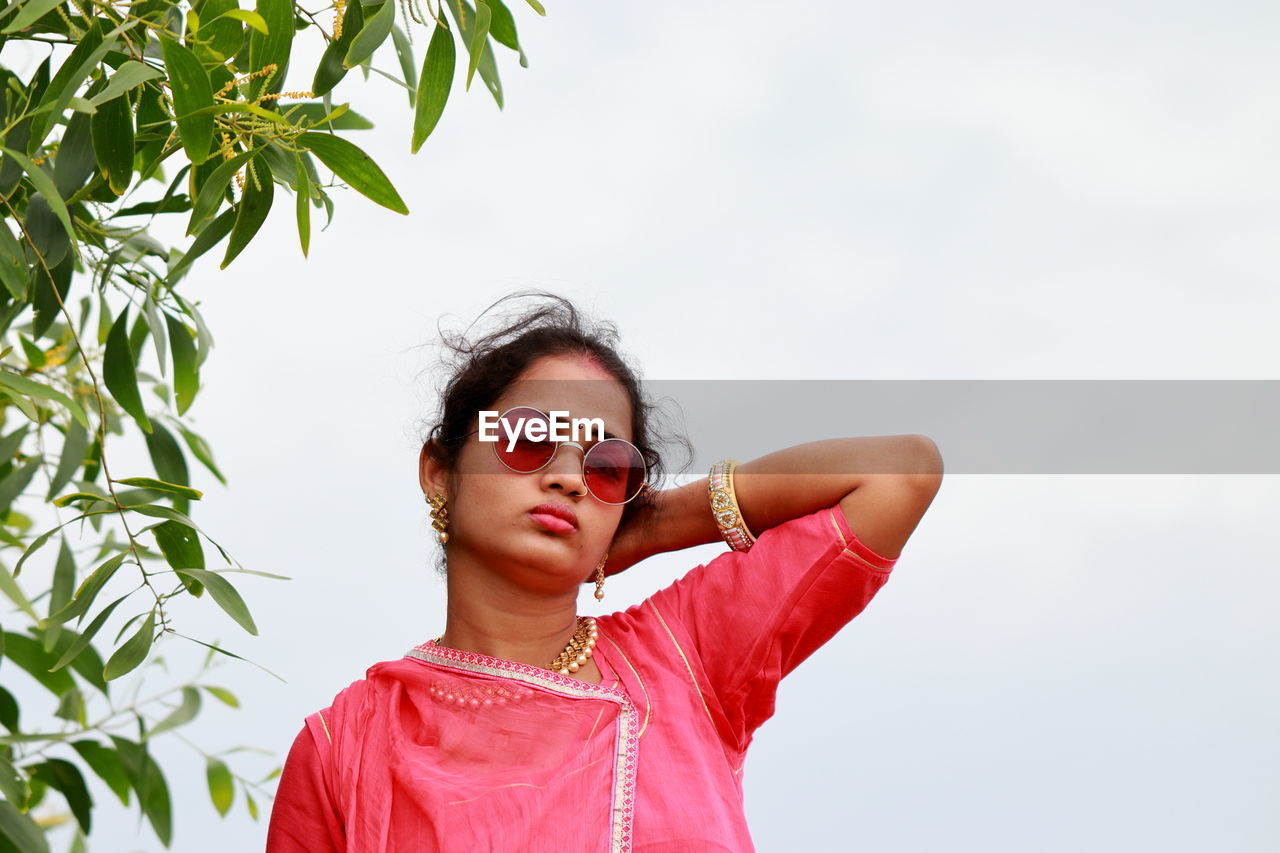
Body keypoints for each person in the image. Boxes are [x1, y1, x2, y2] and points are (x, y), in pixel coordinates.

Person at [265, 292, 943, 852]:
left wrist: (649, 523)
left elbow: (900, 473)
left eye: (606, 466)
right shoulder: (343, 747)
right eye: (531, 439)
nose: (567, 478)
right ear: (440, 472)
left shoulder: (686, 660)